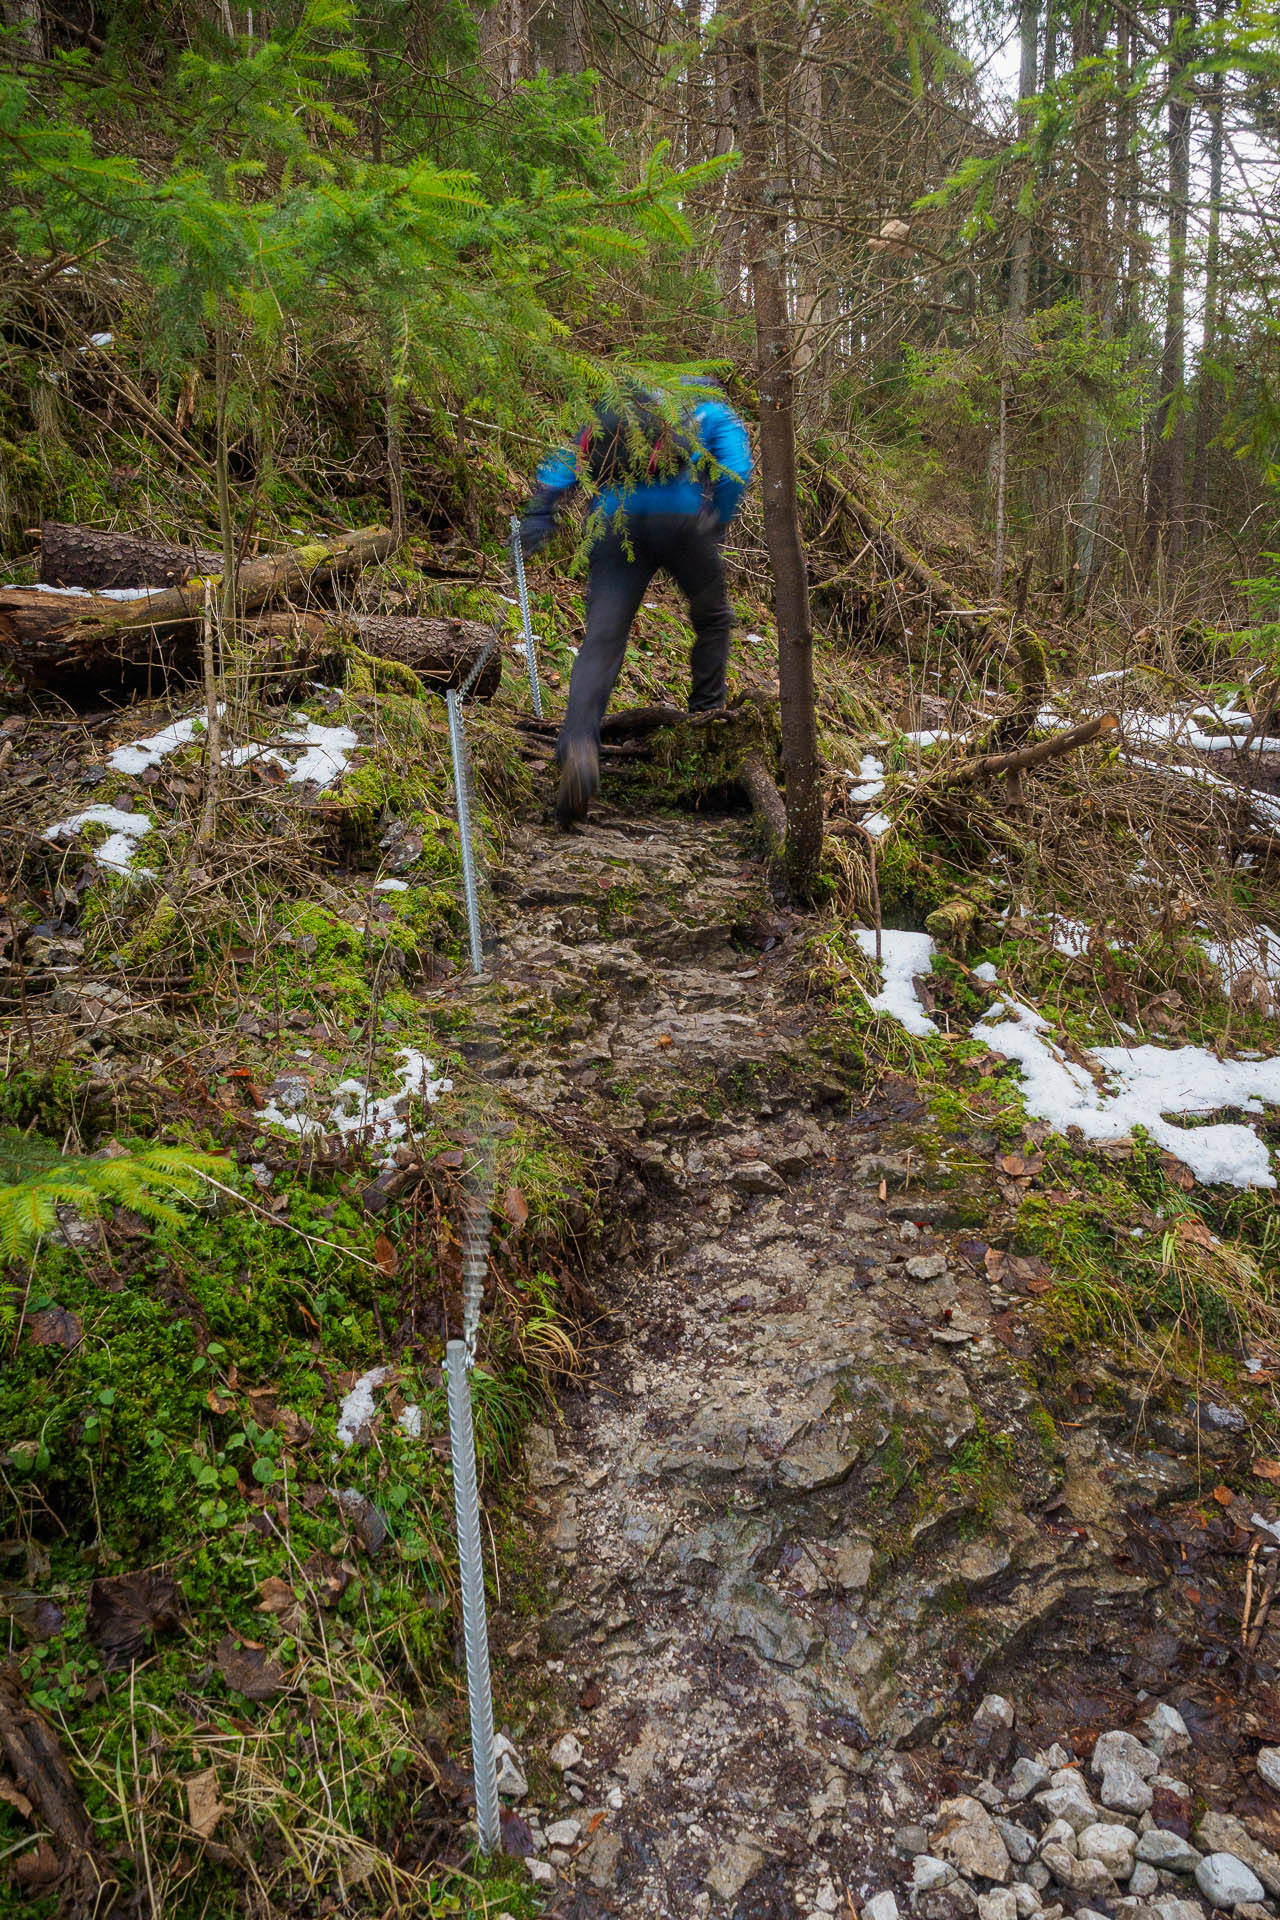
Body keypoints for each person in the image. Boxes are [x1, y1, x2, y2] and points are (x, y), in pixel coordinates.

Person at [518, 380, 754, 828]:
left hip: (613, 520)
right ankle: (705, 718)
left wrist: (541, 511)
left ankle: (580, 746)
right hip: (680, 519)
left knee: (603, 638)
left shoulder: (620, 405)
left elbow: (566, 461)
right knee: (714, 618)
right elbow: (737, 466)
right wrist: (717, 518)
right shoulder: (708, 408)